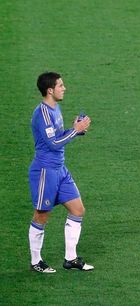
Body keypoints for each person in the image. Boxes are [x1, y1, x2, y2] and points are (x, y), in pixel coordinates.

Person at [28, 72, 93, 273]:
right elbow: (52, 143)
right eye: (60, 85)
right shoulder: (43, 113)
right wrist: (75, 130)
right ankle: (36, 261)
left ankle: (70, 259)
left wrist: (75, 130)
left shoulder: (56, 108)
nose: (64, 88)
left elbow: (58, 136)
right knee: (41, 215)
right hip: (45, 171)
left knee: (78, 210)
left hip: (60, 169)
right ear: (50, 90)